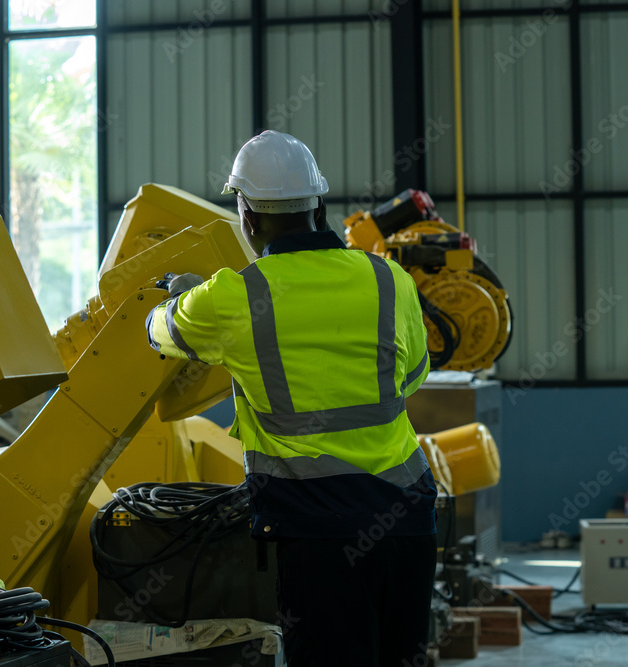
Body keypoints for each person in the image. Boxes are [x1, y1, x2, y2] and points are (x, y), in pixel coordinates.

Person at [146, 130, 437, 667]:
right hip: (407, 518)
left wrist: (185, 294)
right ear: (319, 205)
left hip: (318, 532)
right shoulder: (387, 278)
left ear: (247, 216)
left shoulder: (234, 295)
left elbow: (162, 333)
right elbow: (413, 374)